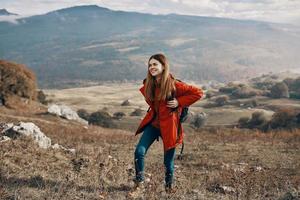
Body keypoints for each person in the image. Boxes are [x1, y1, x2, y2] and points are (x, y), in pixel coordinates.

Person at [129, 53, 203, 196]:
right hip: (154, 125)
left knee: (167, 163)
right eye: (150, 65)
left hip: (169, 127)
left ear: (163, 66)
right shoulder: (149, 85)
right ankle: (139, 185)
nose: (152, 67)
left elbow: (198, 92)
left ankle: (169, 189)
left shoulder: (174, 85)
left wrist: (179, 102)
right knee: (139, 152)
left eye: (155, 64)